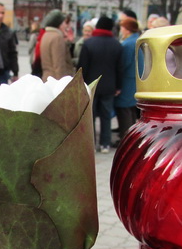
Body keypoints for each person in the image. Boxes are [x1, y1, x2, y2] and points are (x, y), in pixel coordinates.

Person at [78, 16, 123, 154]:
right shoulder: (117, 45)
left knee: (89, 116)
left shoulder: (88, 43)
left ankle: (90, 144)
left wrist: (80, 85)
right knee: (106, 116)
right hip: (109, 86)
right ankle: (105, 144)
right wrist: (118, 86)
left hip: (91, 86)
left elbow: (82, 67)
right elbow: (119, 68)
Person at [114, 17, 140, 142]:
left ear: (127, 29)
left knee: (124, 109)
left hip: (127, 80)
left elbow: (123, 64)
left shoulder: (127, 44)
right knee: (131, 108)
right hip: (136, 79)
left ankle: (126, 138)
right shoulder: (138, 40)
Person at [39, 10, 75, 81]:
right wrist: (62, 84)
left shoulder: (46, 35)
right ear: (59, 24)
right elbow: (59, 65)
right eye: (64, 22)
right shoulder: (57, 37)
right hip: (55, 80)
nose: (65, 25)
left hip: (47, 78)